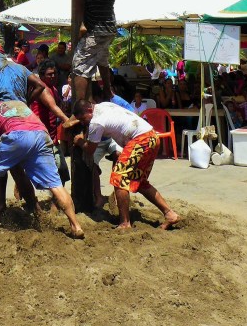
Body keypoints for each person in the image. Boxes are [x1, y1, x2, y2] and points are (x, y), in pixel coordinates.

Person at [0, 98, 84, 238]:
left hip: (17, 135)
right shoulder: (18, 103)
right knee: (56, 185)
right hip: (42, 135)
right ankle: (75, 226)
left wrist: (4, 163)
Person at [73, 98, 180, 231]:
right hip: (152, 137)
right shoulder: (104, 105)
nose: (84, 123)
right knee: (140, 182)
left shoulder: (96, 123)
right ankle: (170, 214)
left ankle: (125, 222)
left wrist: (79, 141)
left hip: (140, 140)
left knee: (119, 178)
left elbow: (90, 149)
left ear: (89, 110)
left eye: (83, 119)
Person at [0, 42, 70, 129]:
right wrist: (26, 102)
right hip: (23, 113)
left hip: (2, 114)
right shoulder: (18, 66)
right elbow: (40, 85)